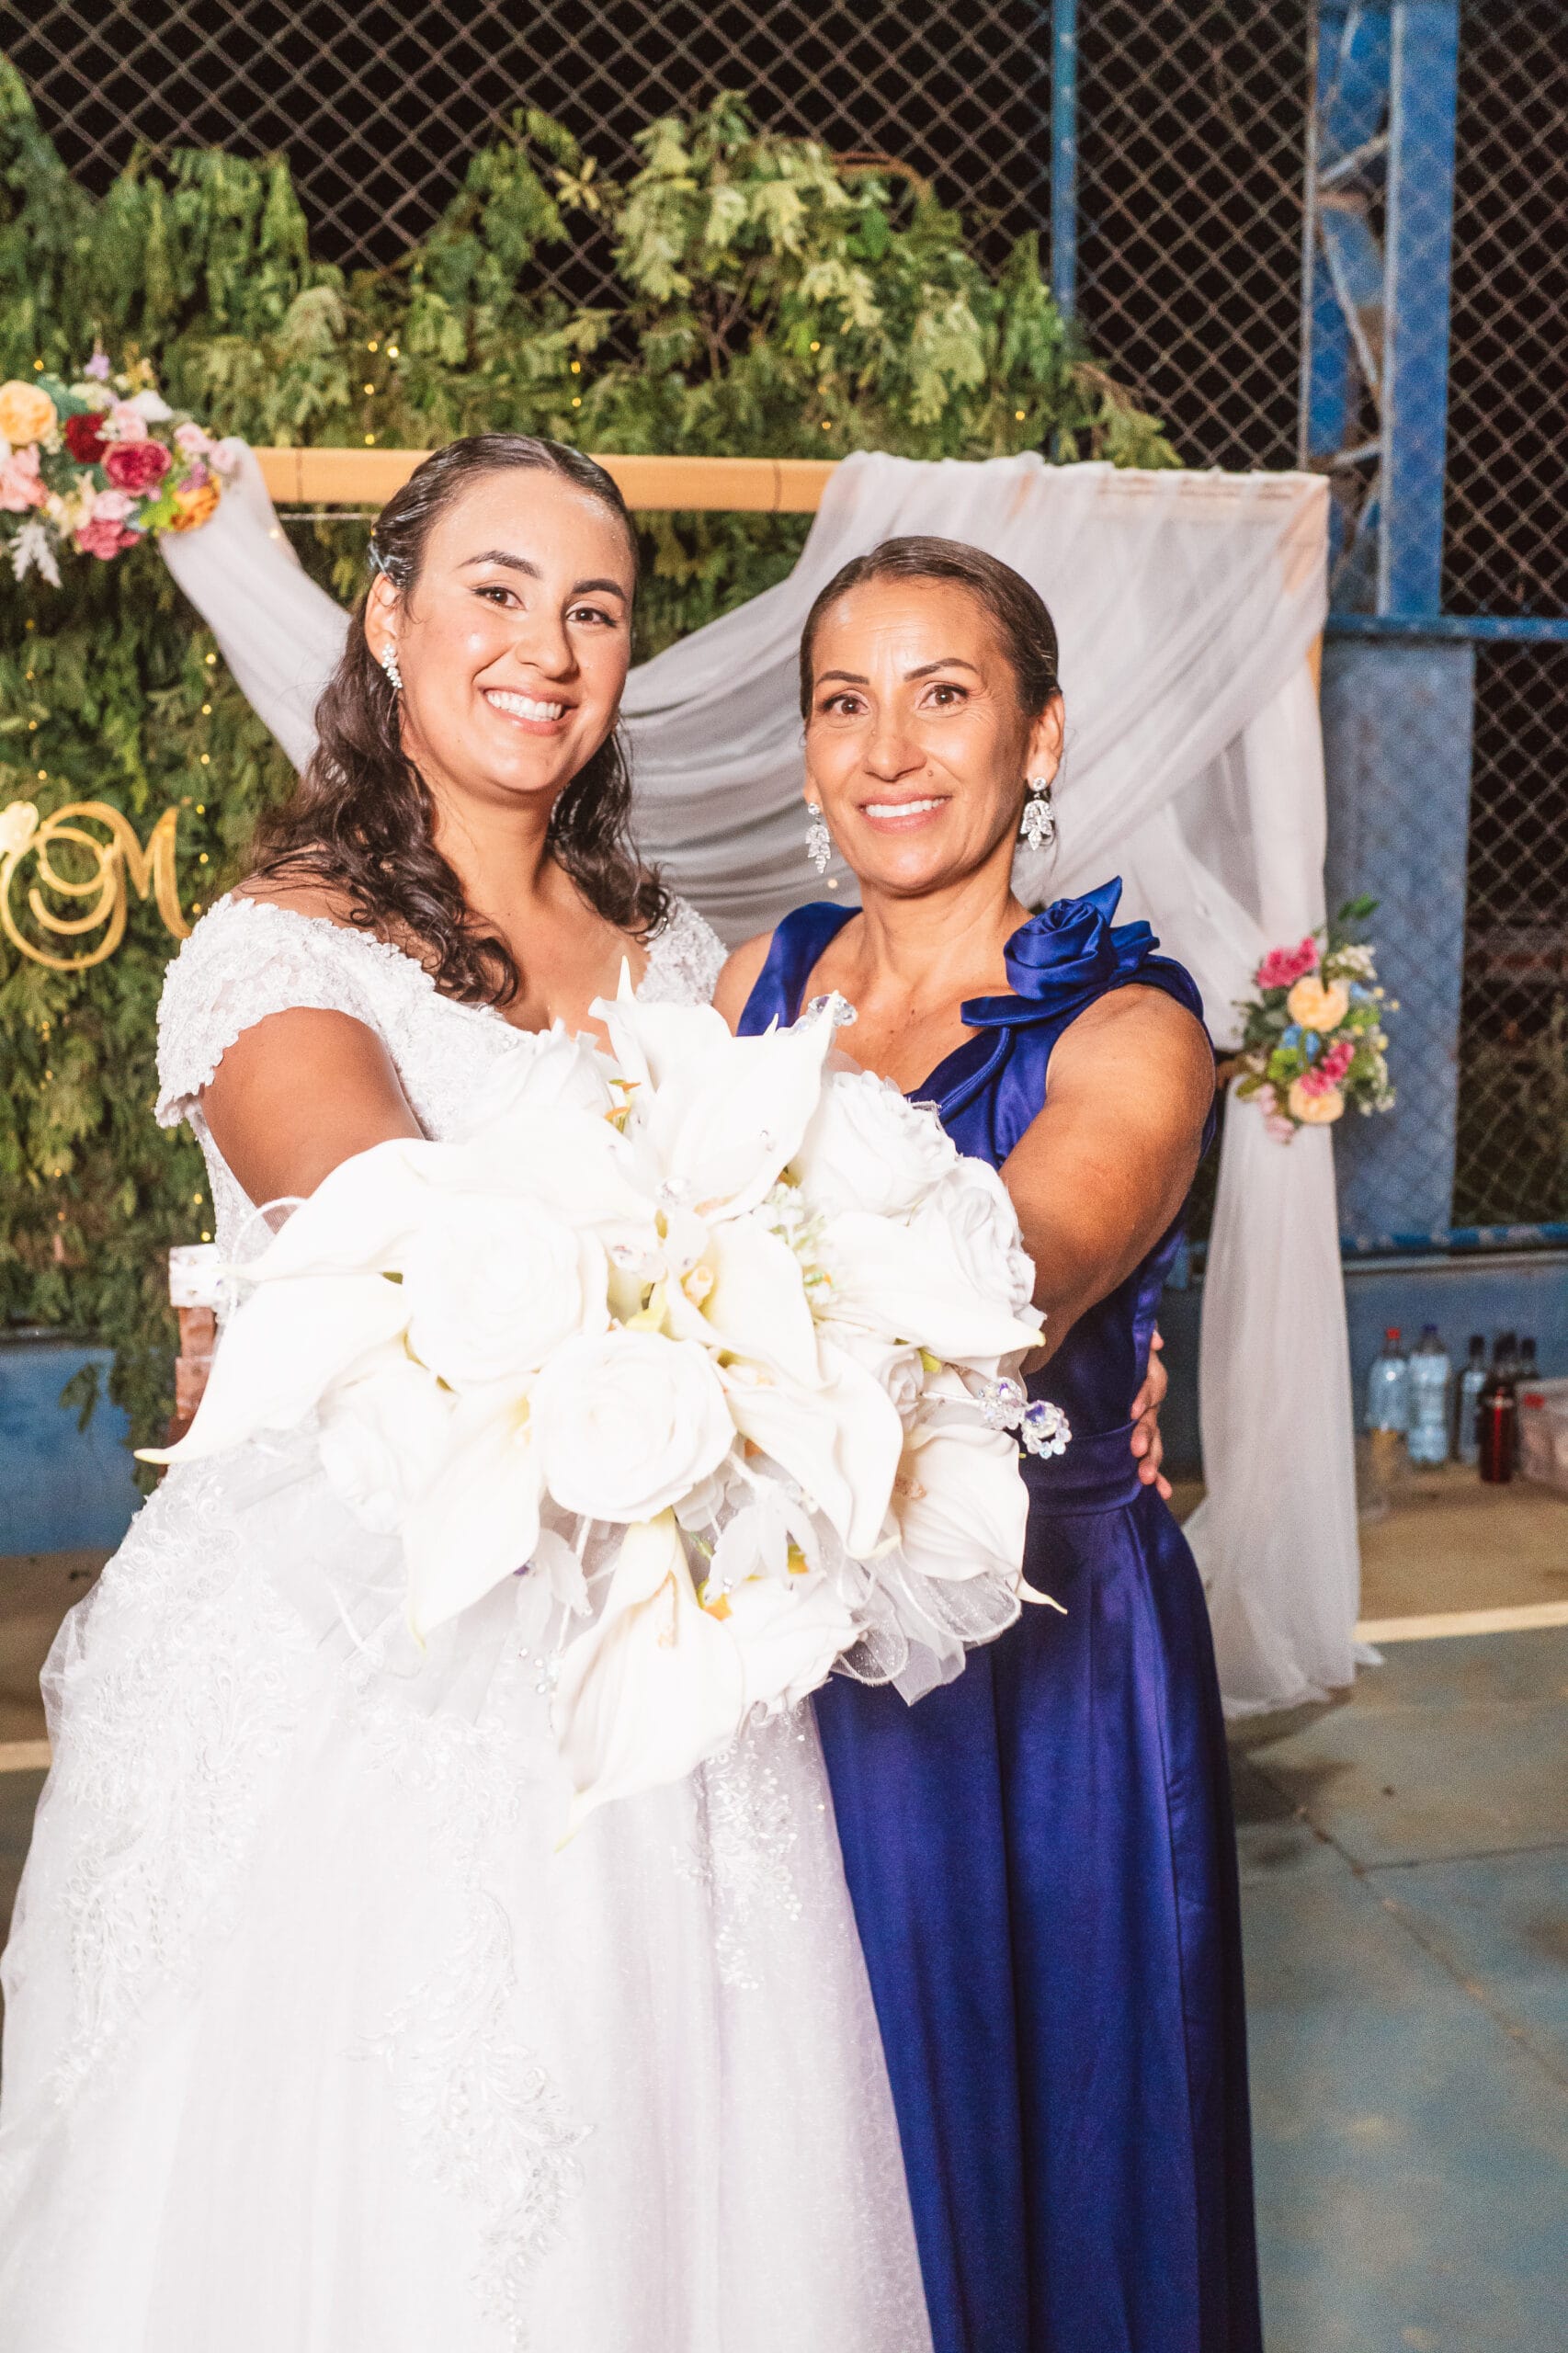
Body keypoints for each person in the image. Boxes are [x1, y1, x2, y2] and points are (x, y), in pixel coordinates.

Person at [0, 438, 931, 2353]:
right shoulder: (279, 952)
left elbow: (812, 1234)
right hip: (367, 1675)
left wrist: (928, 1345)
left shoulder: (676, 956)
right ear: (389, 616)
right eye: (496, 592)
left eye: (594, 610)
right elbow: (403, 1255)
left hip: (651, 1665)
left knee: (672, 2189)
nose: (546, 648)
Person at [716, 535, 1264, 2353]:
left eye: (941, 696)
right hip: (781, 1643)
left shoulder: (1129, 1023)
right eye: (843, 703)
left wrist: (660, 1299)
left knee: (1069, 2147)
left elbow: (1005, 1283)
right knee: (816, 2137)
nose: (887, 749)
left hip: (1043, 1659)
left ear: (1038, 737)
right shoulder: (753, 986)